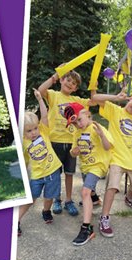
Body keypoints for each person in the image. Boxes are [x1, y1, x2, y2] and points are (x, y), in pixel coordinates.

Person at [90, 91, 132, 237]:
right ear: (131, 99)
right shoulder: (115, 110)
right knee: (112, 186)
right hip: (116, 158)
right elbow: (95, 98)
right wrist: (115, 97)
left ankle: (129, 198)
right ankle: (104, 218)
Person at [38, 69, 94, 216]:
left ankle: (68, 200)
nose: (70, 84)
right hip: (54, 142)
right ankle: (57, 199)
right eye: (68, 80)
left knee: (69, 174)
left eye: (74, 83)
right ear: (62, 80)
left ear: (76, 88)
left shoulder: (77, 100)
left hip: (71, 143)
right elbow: (41, 90)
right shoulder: (54, 95)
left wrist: (93, 86)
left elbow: (93, 101)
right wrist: (55, 75)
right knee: (55, 174)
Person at [18, 90, 64, 231]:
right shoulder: (24, 143)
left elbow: (44, 115)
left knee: (49, 196)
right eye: (29, 131)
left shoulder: (43, 131)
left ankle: (46, 211)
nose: (33, 132)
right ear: (22, 132)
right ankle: (16, 221)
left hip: (53, 171)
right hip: (37, 175)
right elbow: (24, 161)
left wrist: (40, 99)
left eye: (35, 129)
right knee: (31, 198)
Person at [69, 107, 113, 245]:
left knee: (85, 192)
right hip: (85, 167)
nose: (79, 124)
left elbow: (108, 147)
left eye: (80, 120)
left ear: (88, 115)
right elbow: (73, 152)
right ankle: (95, 199)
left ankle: (86, 228)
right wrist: (74, 152)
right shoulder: (77, 133)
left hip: (97, 166)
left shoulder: (96, 127)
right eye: (75, 123)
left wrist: (101, 135)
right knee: (90, 191)